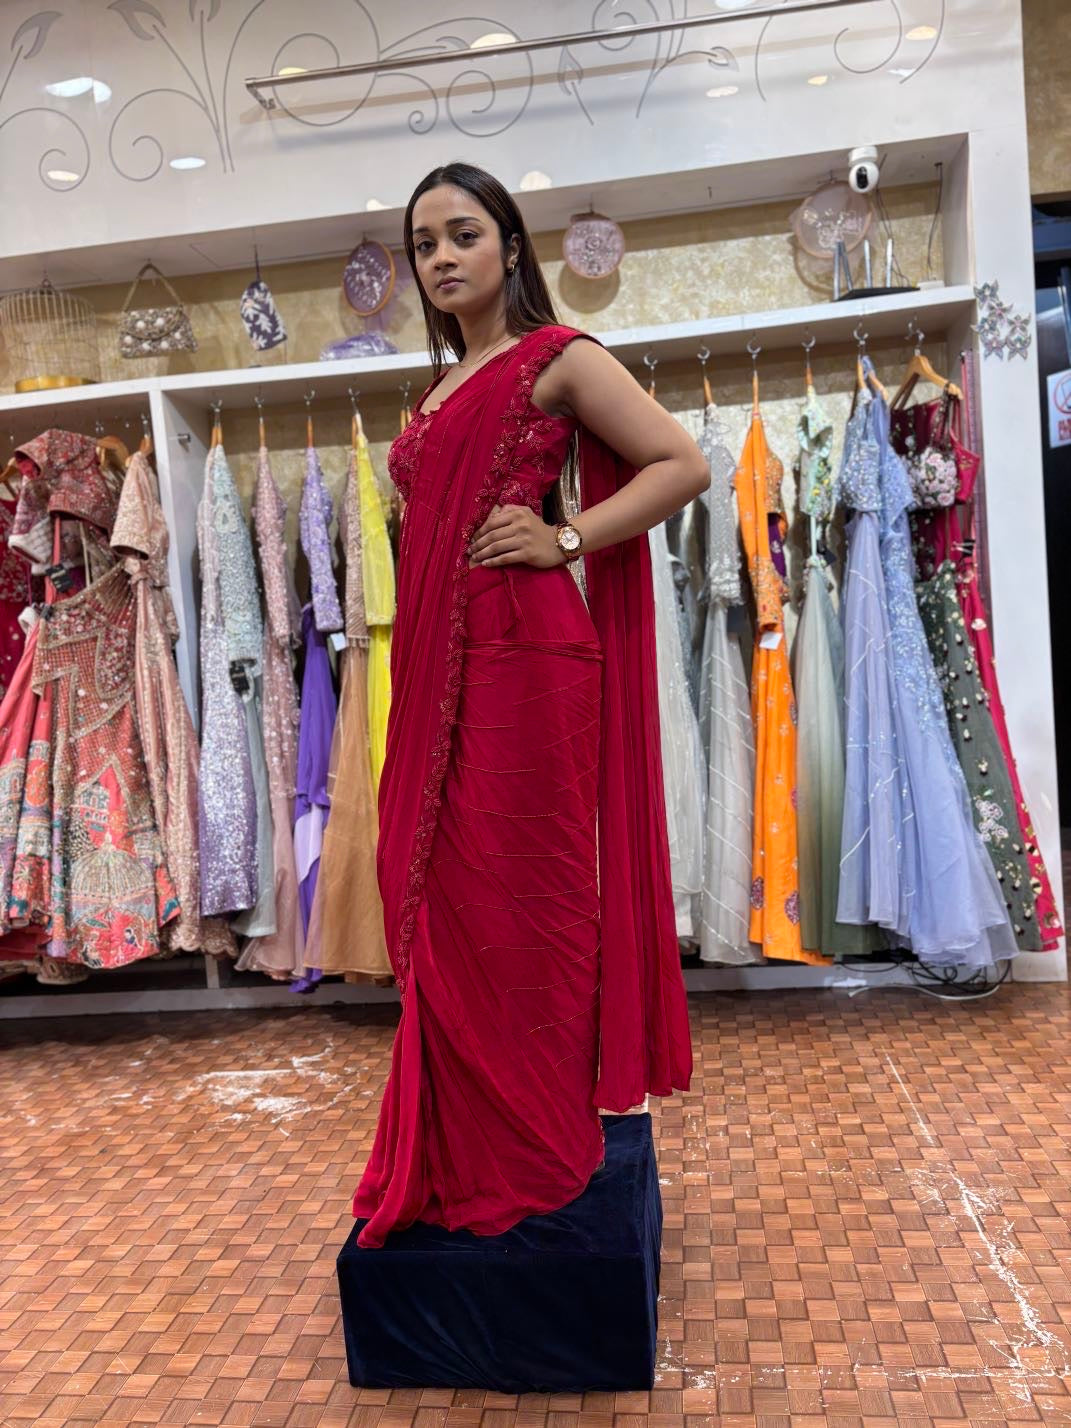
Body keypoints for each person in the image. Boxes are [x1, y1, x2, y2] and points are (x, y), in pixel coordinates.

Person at [352, 162, 708, 1249]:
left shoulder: (560, 361)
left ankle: (541, 1133)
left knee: (527, 893)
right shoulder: (434, 392)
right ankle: (464, 1137)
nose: (443, 257)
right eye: (424, 244)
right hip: (440, 657)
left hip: (528, 660)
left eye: (464, 234)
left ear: (511, 244)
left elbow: (682, 465)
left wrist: (564, 538)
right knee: (441, 895)